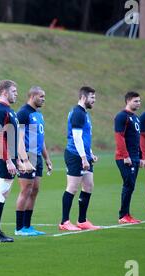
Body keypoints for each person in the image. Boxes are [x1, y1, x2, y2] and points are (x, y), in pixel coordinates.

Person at [0, 80, 34, 242]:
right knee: (0, 193)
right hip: (2, 157)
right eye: (13, 91)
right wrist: (8, 160)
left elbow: (14, 137)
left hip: (10, 157)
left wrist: (19, 160)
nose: (16, 94)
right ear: (4, 92)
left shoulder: (10, 111)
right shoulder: (0, 110)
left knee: (4, 193)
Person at [59, 86, 100, 231]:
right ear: (83, 97)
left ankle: (82, 220)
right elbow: (76, 137)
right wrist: (83, 157)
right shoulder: (78, 113)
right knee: (72, 187)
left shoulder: (84, 113)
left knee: (88, 185)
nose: (94, 100)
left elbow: (84, 138)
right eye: (92, 98)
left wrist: (90, 153)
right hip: (74, 155)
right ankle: (64, 221)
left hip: (84, 155)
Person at [15, 86, 52, 236]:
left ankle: (28, 226)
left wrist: (47, 158)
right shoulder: (23, 113)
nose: (43, 99)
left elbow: (40, 139)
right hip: (27, 155)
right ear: (32, 96)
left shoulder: (39, 115)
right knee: (25, 190)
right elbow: (19, 138)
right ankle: (19, 228)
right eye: (41, 96)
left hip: (37, 157)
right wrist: (23, 159)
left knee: (35, 190)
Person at [114, 92, 142, 224]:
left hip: (135, 157)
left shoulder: (136, 118)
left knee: (131, 186)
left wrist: (140, 157)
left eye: (139, 101)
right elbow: (119, 137)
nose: (138, 103)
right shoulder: (121, 116)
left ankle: (127, 214)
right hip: (125, 157)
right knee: (128, 184)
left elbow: (137, 140)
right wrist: (126, 156)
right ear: (128, 101)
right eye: (136, 101)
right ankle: (123, 215)